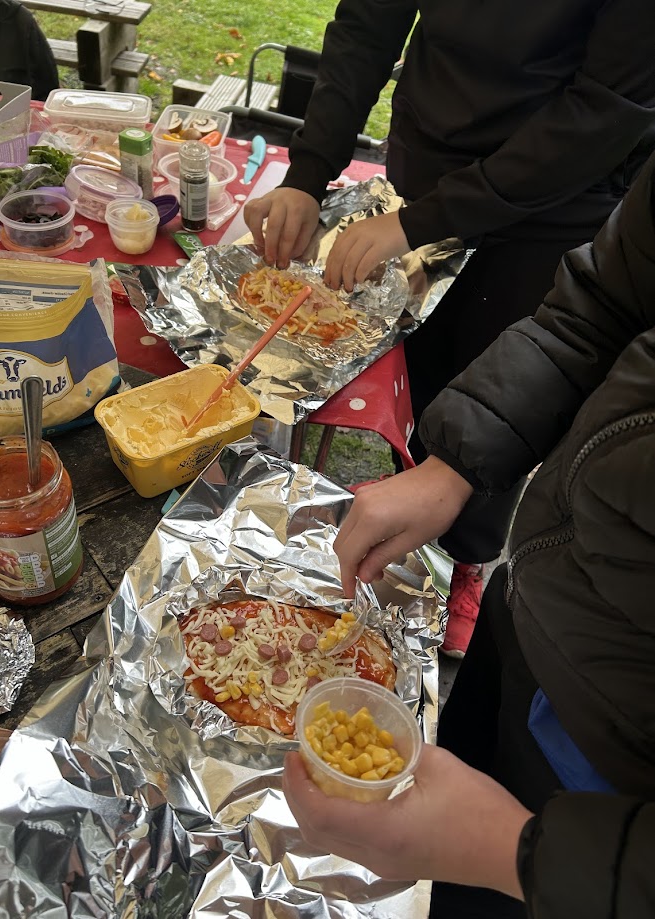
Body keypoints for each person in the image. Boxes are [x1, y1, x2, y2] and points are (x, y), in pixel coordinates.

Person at [283, 144, 655, 918]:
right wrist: (451, 464)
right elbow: (606, 301)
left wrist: (507, 851)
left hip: (612, 795)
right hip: (540, 613)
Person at [244, 0, 655, 656]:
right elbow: (366, 26)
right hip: (427, 162)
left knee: (504, 376)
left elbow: (601, 112)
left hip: (555, 202)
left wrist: (422, 221)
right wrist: (308, 171)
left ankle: (469, 555)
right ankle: (406, 495)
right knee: (421, 367)